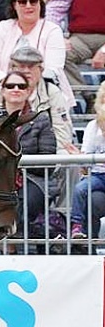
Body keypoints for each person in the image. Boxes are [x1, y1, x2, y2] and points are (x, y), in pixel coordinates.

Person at [0, 0, 75, 108]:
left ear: (40, 3)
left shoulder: (52, 30)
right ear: (14, 5)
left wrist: (25, 87)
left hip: (43, 93)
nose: (28, 6)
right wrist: (11, 84)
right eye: (22, 2)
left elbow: (53, 69)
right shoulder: (4, 27)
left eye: (33, 1)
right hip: (6, 91)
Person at [0, 70, 57, 248]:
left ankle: (16, 250)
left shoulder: (41, 120)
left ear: (29, 91)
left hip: (34, 179)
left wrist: (16, 164)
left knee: (24, 204)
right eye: (10, 86)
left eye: (21, 86)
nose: (15, 89)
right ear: (2, 91)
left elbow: (48, 158)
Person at [0, 46, 73, 154]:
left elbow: (62, 131)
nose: (26, 71)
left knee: (64, 153)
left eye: (31, 67)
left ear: (41, 69)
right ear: (12, 69)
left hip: (44, 147)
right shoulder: (2, 90)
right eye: (21, 66)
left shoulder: (52, 91)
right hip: (5, 150)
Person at [70, 82, 105, 239]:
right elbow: (86, 156)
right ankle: (77, 226)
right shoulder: (93, 126)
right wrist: (79, 157)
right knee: (80, 189)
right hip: (98, 175)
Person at [61, 0, 105, 96]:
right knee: (60, 54)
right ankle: (86, 96)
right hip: (80, 38)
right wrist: (57, 35)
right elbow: (55, 7)